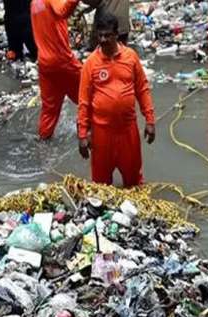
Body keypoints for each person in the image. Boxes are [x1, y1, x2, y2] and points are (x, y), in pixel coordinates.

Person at [77, 13, 156, 187]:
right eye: (100, 35)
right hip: (101, 133)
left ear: (116, 34)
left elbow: (142, 89)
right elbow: (84, 101)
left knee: (135, 183)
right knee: (101, 187)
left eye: (107, 35)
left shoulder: (130, 57)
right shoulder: (90, 63)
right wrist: (83, 134)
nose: (103, 39)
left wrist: (150, 120)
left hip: (128, 130)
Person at [31, 0, 83, 139]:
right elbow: (64, 11)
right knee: (91, 94)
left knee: (49, 111)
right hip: (62, 60)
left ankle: (43, 143)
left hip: (44, 63)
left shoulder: (34, 2)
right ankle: (87, 130)